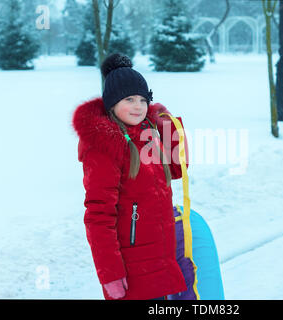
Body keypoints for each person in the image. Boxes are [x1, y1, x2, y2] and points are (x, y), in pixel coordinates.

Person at [72, 53, 189, 300]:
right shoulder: (105, 146)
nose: (138, 106)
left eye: (143, 99)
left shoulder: (146, 133)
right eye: (129, 99)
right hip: (132, 266)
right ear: (112, 103)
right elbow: (98, 215)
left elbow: (178, 168)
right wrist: (110, 274)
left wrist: (166, 125)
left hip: (158, 257)